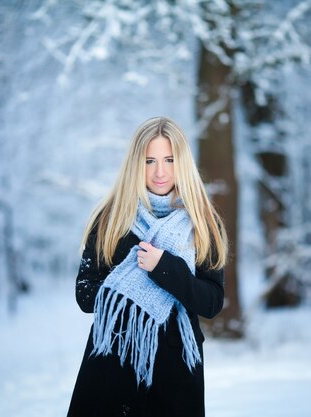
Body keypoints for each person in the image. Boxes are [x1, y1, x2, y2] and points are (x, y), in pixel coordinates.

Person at [67, 117, 228, 417]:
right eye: (149, 160)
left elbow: (211, 302)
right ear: (135, 164)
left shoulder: (203, 223)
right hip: (113, 361)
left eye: (169, 159)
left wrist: (165, 267)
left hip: (176, 370)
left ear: (182, 162)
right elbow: (85, 294)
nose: (160, 171)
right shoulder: (112, 218)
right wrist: (130, 277)